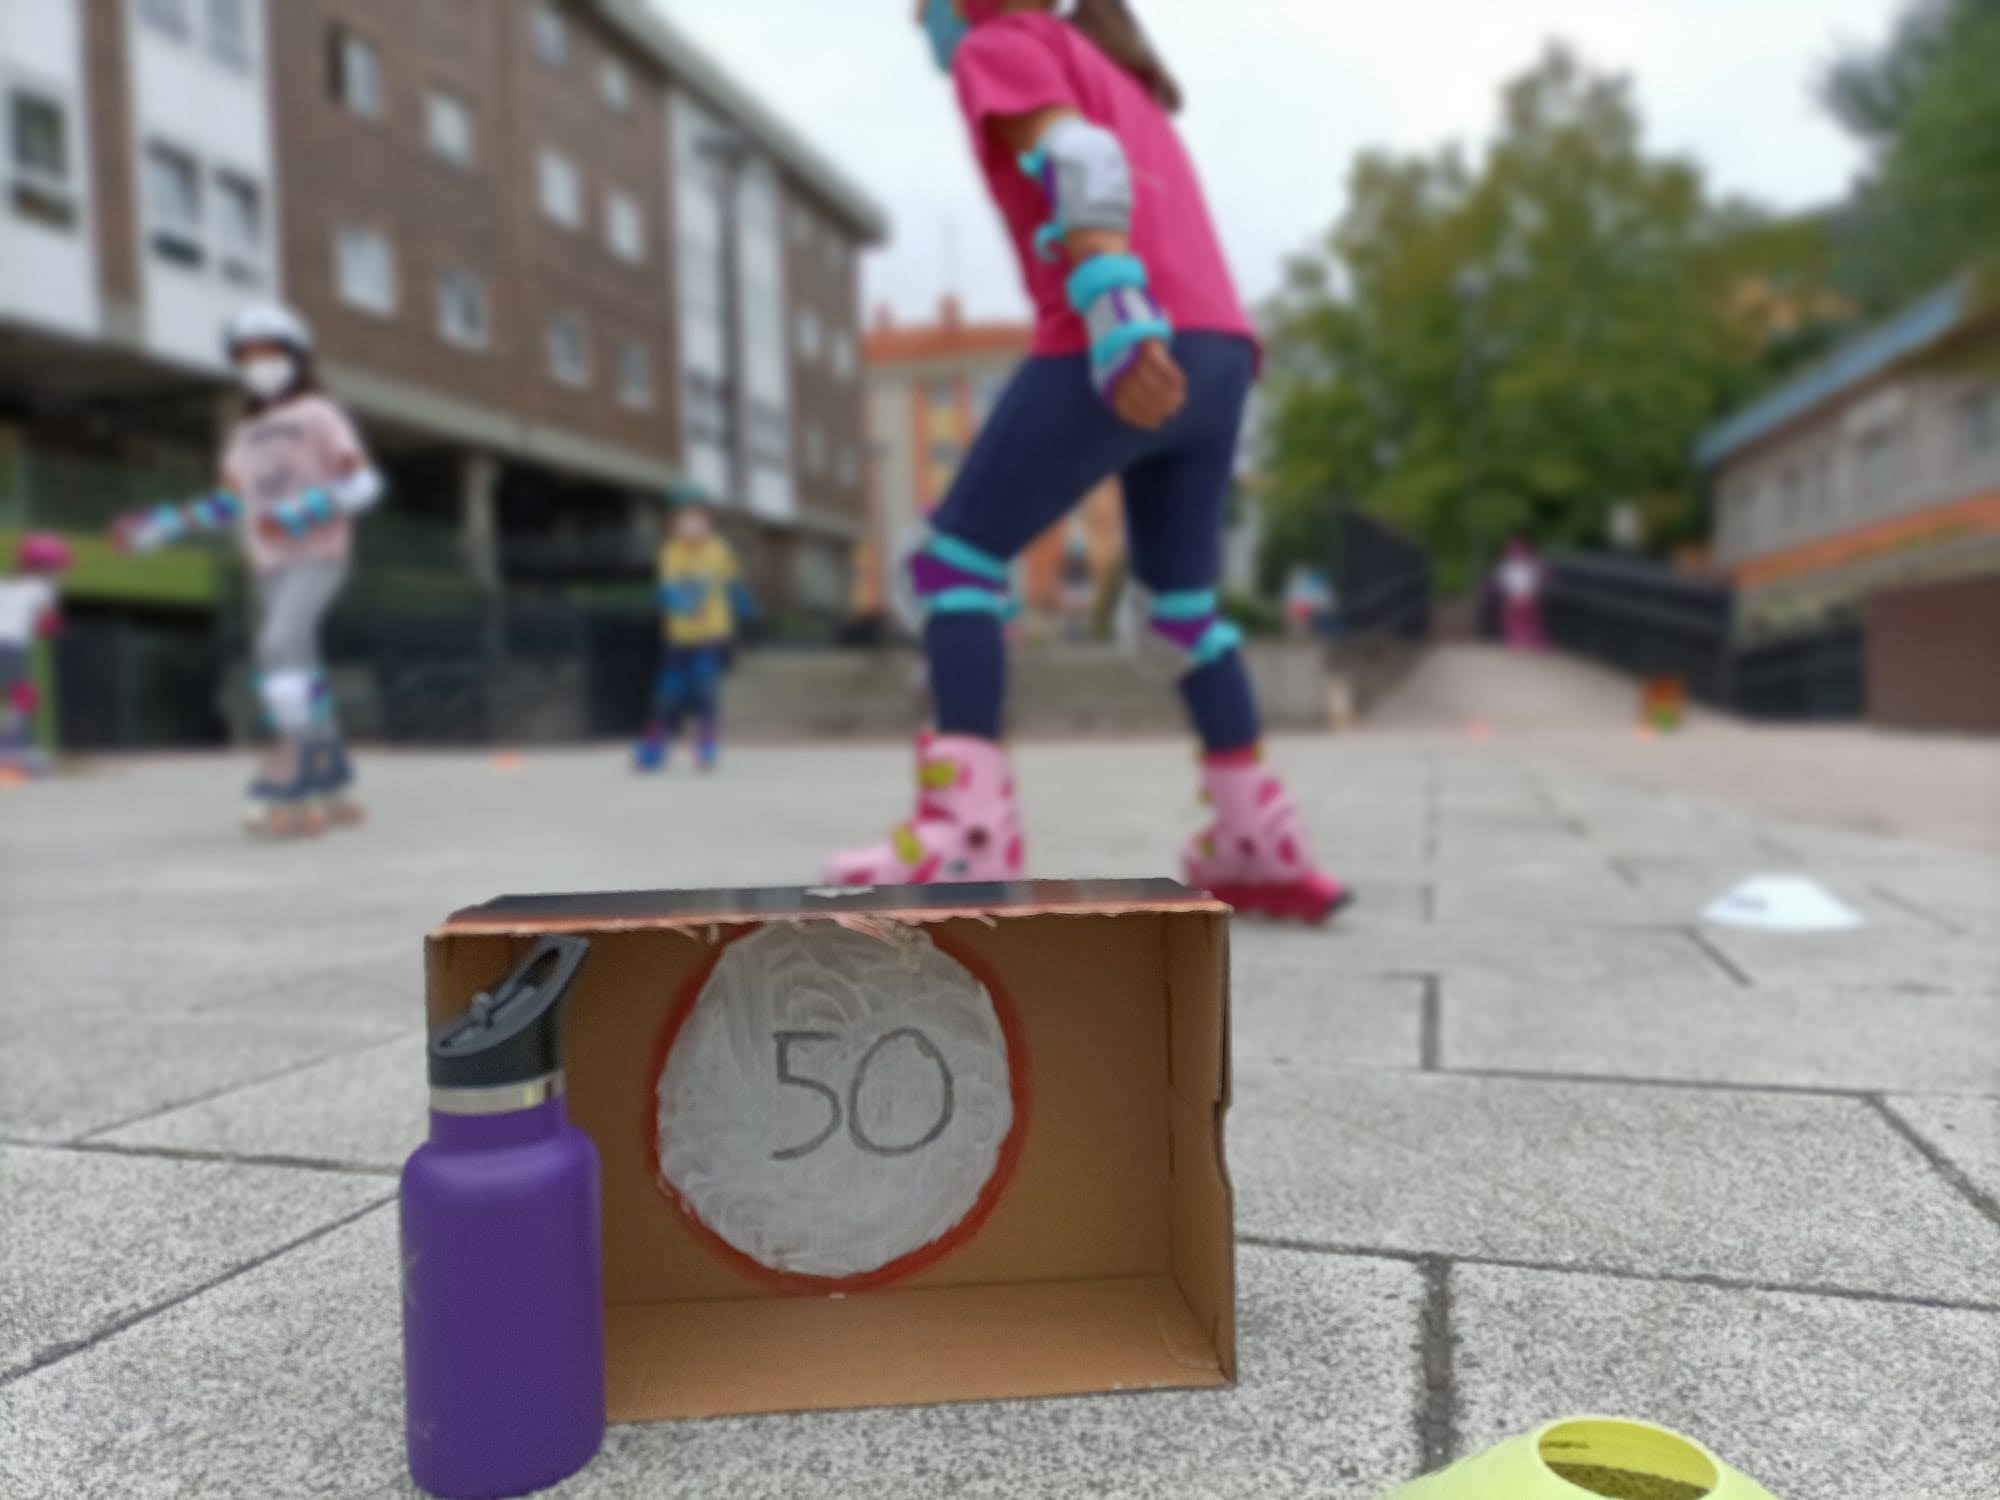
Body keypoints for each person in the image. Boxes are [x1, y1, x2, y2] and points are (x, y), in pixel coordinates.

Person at [825, 0, 1348, 922]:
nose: (923, 29)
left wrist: (1113, 305)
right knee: (1181, 617)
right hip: (1221, 355)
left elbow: (1082, 162)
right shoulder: (1117, 71)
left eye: (922, 10)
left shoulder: (1002, 39)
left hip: (1124, 339)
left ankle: (966, 840)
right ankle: (1258, 843)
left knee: (951, 566)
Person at [116, 305, 385, 835]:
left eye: (270, 353)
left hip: (317, 553)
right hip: (269, 563)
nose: (259, 365)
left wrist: (298, 514)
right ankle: (329, 766)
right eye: (248, 356)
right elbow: (229, 504)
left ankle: (294, 757)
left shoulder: (317, 414)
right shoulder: (246, 433)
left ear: (295, 357)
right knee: (298, 655)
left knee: (278, 644)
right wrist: (160, 527)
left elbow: (361, 484)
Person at [633, 489, 754, 773]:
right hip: (679, 639)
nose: (690, 526)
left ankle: (706, 744)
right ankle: (654, 746)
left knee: (704, 690)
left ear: (708, 522)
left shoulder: (718, 550)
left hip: (711, 636)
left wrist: (747, 608)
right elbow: (667, 590)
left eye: (697, 520)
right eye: (683, 521)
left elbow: (732, 583)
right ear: (674, 524)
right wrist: (686, 606)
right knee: (667, 695)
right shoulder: (671, 552)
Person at [0, 533, 71, 776]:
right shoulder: (44, 587)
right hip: (10, 644)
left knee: (17, 695)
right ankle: (15, 749)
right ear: (47, 566)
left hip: (8, 643)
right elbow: (48, 626)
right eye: (58, 566)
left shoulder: (7, 584)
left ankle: (11, 744)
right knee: (23, 696)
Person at [1494, 537, 1546, 650]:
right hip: (1524, 599)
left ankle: (1520, 641)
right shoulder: (1529, 565)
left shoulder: (1508, 567)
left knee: (1519, 620)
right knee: (1528, 620)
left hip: (1519, 599)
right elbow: (1538, 580)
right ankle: (1530, 641)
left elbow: (1501, 584)